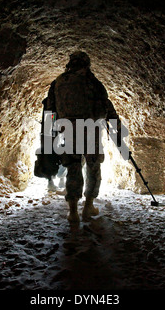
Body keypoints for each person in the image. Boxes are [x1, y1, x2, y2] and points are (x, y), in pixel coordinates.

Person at [46, 51, 121, 222]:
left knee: (73, 166)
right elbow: (106, 105)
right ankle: (88, 207)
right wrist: (115, 125)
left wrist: (50, 133)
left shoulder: (58, 83)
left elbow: (50, 109)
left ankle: (72, 211)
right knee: (93, 166)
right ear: (87, 64)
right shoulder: (93, 83)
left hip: (68, 130)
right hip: (91, 129)